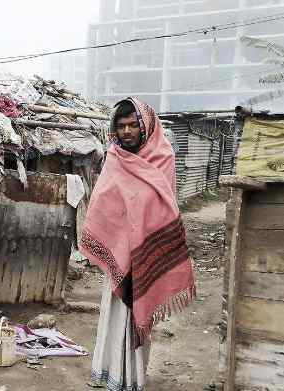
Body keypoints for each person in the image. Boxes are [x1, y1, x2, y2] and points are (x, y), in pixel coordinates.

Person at [80, 98, 195, 390]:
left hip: (146, 255)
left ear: (146, 126)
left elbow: (163, 210)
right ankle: (109, 374)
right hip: (118, 258)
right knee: (115, 317)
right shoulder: (114, 159)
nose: (127, 131)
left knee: (137, 319)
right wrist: (119, 241)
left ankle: (133, 380)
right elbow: (102, 207)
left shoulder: (162, 158)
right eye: (121, 126)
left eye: (133, 125)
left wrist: (139, 244)